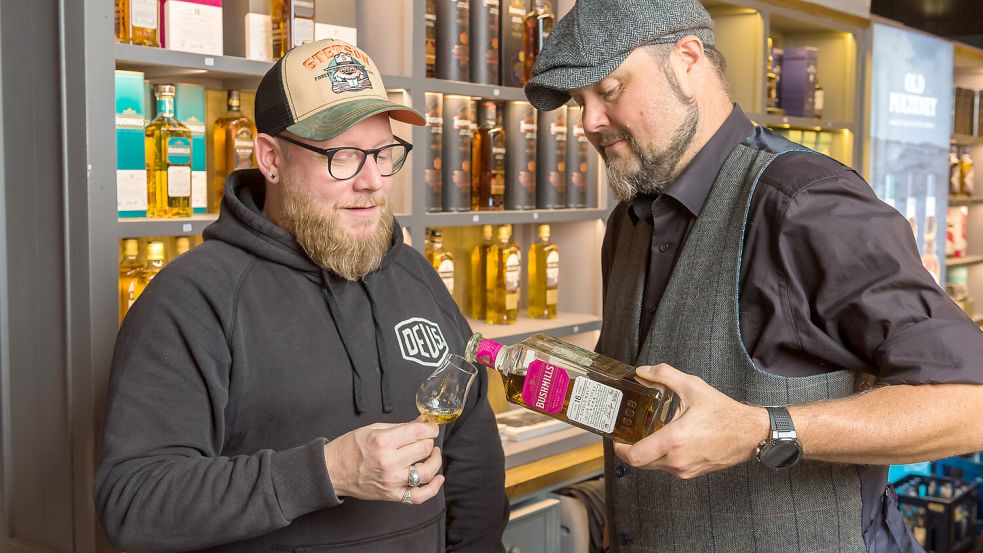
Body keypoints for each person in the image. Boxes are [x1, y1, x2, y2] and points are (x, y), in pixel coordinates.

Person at [525, 1, 983, 551]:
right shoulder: (630, 218)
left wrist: (761, 431)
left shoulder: (803, 203)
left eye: (610, 89)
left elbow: (967, 402)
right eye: (580, 102)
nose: (589, 122)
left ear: (688, 60)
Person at [95, 39, 508, 552]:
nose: (373, 181)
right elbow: (133, 503)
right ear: (270, 158)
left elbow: (470, 448)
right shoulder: (192, 298)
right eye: (343, 156)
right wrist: (326, 472)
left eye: (383, 154)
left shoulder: (414, 274)